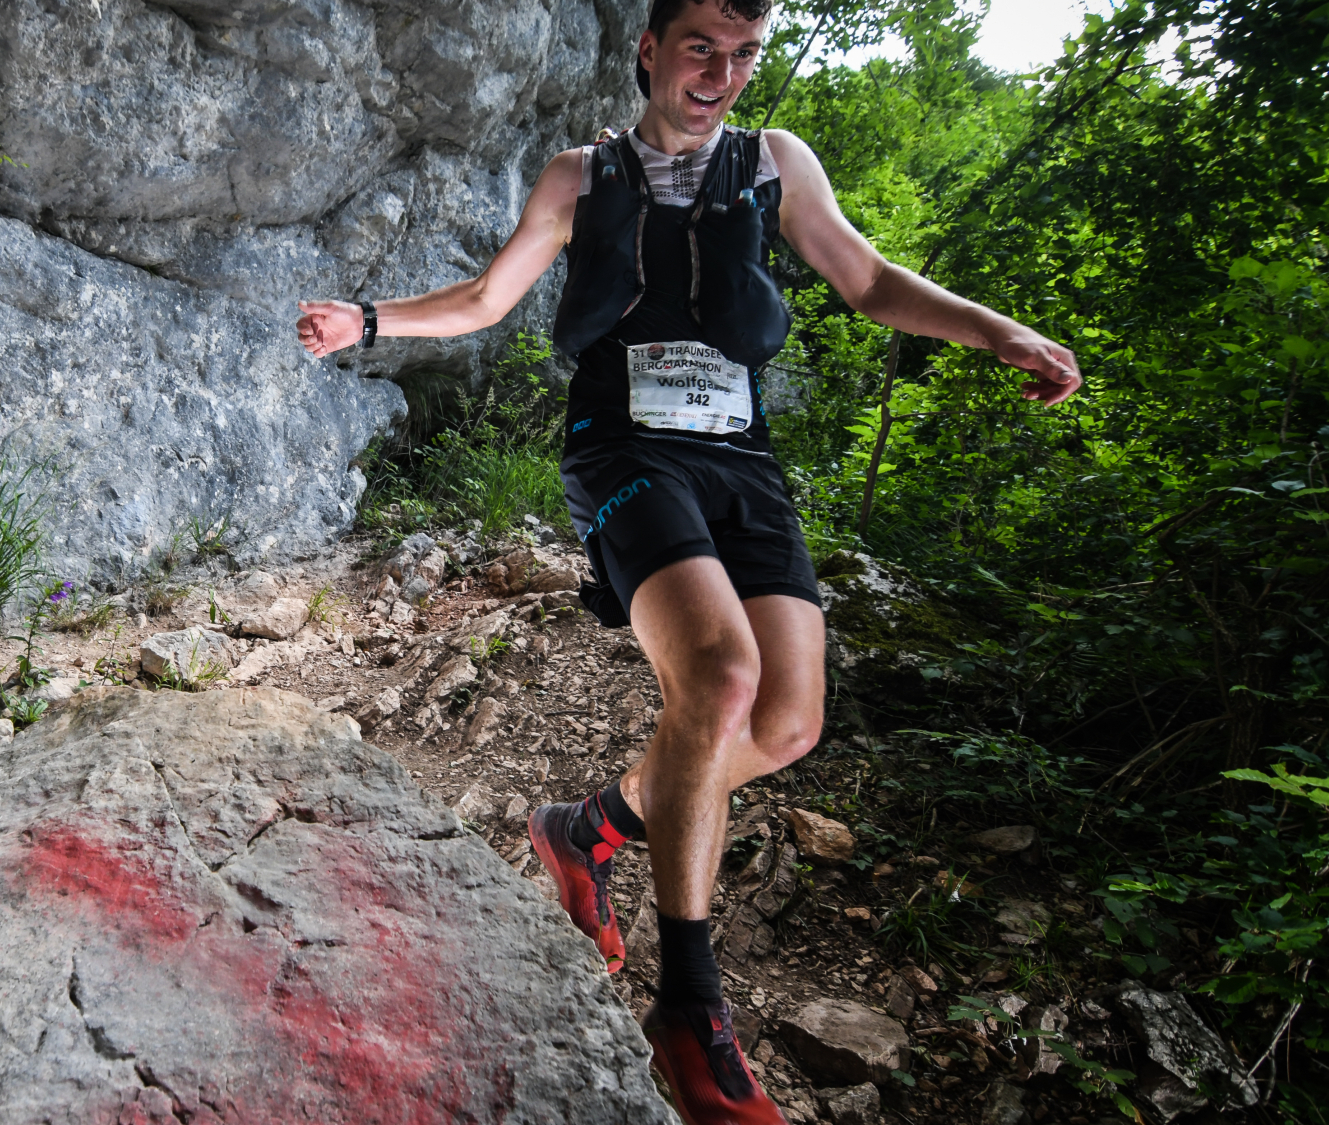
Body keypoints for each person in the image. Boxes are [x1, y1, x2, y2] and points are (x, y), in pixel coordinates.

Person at [296, 0, 1080, 1119]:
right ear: (650, 50)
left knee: (787, 724)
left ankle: (589, 828)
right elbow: (485, 298)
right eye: (701, 48)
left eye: (744, 53)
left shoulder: (773, 163)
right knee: (719, 677)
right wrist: (367, 320)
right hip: (623, 445)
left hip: (739, 457)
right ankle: (689, 1007)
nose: (722, 73)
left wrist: (995, 328)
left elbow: (865, 281)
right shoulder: (580, 175)